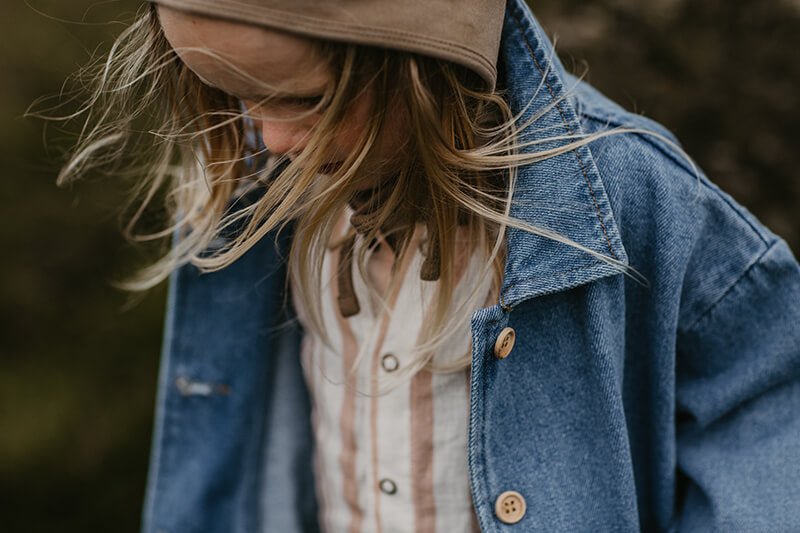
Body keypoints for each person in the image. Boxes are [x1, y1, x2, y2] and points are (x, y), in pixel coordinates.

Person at [54, 0, 800, 531]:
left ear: (425, 62)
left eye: (306, 100)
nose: (271, 136)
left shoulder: (625, 191)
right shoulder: (262, 187)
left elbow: (768, 396)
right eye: (234, 97)